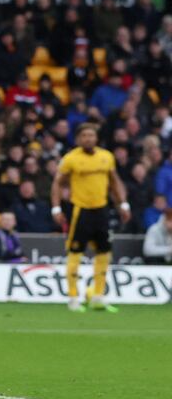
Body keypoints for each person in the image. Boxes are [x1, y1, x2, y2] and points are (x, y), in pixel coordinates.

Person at [51, 123, 130, 313]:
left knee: (104, 253)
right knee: (75, 253)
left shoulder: (106, 157)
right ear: (78, 139)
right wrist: (55, 208)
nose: (88, 139)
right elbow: (57, 183)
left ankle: (98, 297)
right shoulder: (71, 159)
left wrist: (123, 203)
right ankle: (73, 298)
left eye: (91, 135)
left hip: (101, 210)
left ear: (96, 138)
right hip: (81, 211)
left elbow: (114, 181)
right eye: (84, 135)